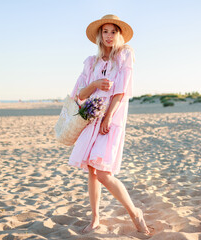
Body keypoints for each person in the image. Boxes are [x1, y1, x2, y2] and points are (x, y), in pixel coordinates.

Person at [68, 14, 150, 235]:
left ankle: (135, 213)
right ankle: (95, 218)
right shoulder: (90, 62)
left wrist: (109, 116)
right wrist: (95, 83)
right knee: (92, 170)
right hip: (91, 119)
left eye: (114, 31)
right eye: (105, 31)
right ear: (99, 34)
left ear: (119, 34)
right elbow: (79, 95)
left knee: (103, 172)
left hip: (111, 119)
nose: (109, 36)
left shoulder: (125, 55)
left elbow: (121, 89)